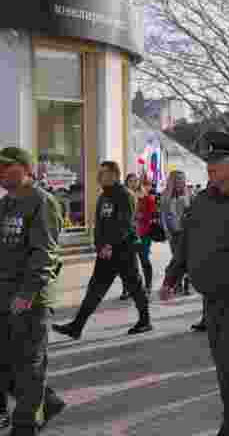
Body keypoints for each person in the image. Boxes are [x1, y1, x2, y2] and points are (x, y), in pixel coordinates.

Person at [159, 132, 229, 436]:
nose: (210, 168)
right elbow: (186, 242)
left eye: (217, 163)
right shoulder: (203, 200)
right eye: (209, 163)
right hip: (213, 299)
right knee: (225, 369)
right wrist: (171, 276)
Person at [0, 147, 67, 435]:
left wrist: (27, 294)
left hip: (30, 299)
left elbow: (44, 254)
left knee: (29, 363)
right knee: (8, 361)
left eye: (6, 166)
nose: (1, 172)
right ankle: (48, 401)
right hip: (5, 295)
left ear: (26, 169)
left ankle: (25, 426)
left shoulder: (42, 201)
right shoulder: (6, 204)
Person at [53, 161, 152, 340]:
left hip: (123, 251)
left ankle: (145, 321)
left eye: (103, 173)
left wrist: (109, 245)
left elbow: (124, 224)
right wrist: (99, 245)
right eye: (99, 172)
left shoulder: (125, 195)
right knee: (95, 289)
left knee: (135, 286)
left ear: (114, 174)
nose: (99, 176)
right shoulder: (103, 195)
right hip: (105, 252)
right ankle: (76, 327)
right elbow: (100, 225)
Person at [134, 177, 157, 295]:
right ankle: (131, 287)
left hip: (144, 233)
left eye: (146, 185)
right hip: (131, 233)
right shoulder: (131, 198)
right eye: (143, 185)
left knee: (144, 259)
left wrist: (139, 216)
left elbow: (151, 216)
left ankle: (148, 285)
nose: (144, 187)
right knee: (130, 262)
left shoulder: (149, 200)